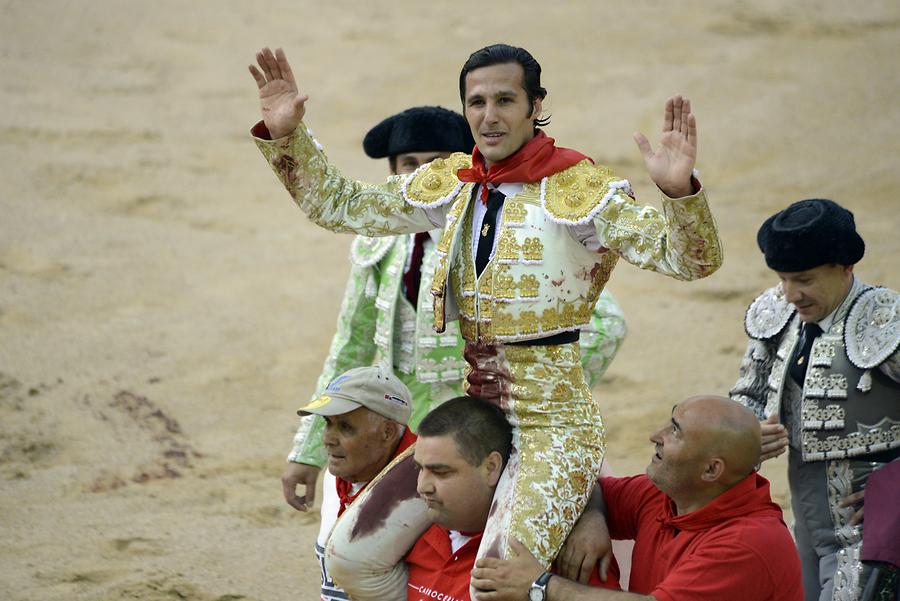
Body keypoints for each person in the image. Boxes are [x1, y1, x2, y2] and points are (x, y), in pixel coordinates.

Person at [249, 43, 722, 599]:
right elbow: (341, 205)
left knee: (494, 585)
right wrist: (287, 137)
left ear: (534, 105)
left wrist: (677, 193)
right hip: (472, 419)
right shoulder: (453, 182)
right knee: (350, 557)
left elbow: (690, 260)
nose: (489, 115)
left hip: (554, 429)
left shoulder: (580, 189)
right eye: (477, 102)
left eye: (505, 99)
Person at [282, 105, 629, 514]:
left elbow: (606, 323)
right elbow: (351, 346)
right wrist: (308, 451)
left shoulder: (503, 231)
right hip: (398, 436)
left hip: (488, 437)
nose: (419, 175)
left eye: (434, 163)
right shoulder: (379, 243)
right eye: (408, 164)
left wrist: (520, 404)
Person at [471, 396, 804, 601]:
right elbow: (591, 487)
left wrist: (539, 585)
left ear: (711, 470)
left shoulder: (748, 543)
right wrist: (593, 518)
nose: (654, 435)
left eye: (675, 431)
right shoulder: (665, 493)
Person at [730, 198, 899, 601]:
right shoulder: (780, 316)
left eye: (803, 279)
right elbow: (750, 391)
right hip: (806, 522)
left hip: (878, 527)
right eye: (783, 278)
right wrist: (745, 434)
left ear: (845, 267)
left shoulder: (887, 324)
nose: (790, 294)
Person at [408, 395, 621, 601]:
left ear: (491, 467)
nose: (422, 487)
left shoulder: (555, 553)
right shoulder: (408, 535)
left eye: (441, 472)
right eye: (419, 469)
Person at [292, 365, 417, 601]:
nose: (328, 439)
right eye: (328, 423)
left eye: (345, 427)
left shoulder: (423, 492)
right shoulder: (336, 477)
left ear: (388, 432)